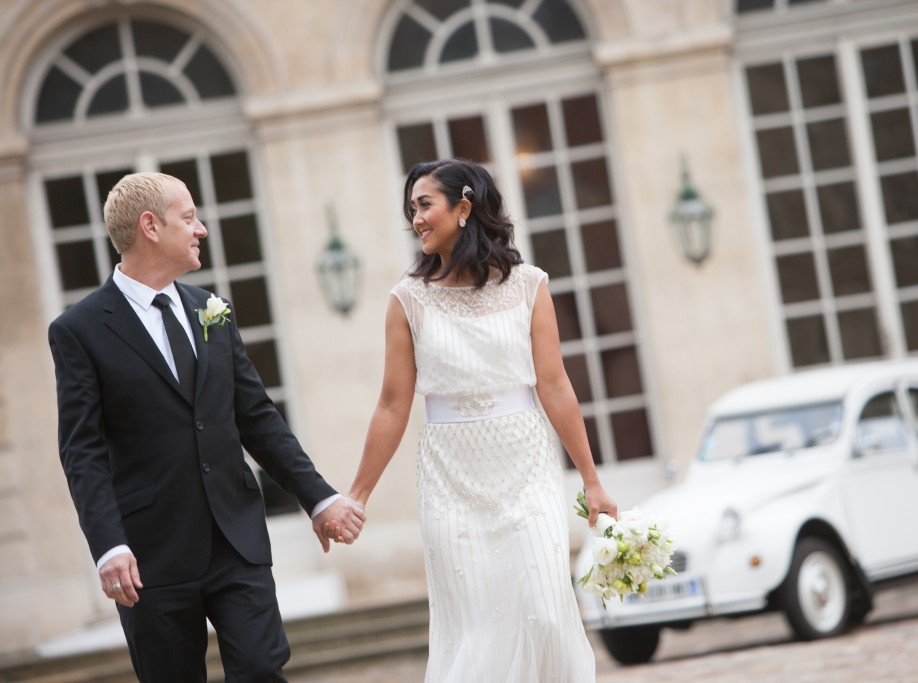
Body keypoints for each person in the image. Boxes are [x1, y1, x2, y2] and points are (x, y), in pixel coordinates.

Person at [48, 172, 365, 682]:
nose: (203, 229)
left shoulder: (210, 310)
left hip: (236, 538)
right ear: (150, 227)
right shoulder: (78, 330)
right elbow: (81, 450)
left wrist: (319, 498)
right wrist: (109, 545)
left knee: (263, 671)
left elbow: (256, 416)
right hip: (150, 557)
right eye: (190, 217)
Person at [330, 158, 617, 681]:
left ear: (464, 208)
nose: (415, 219)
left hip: (526, 469)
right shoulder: (407, 301)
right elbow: (394, 404)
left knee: (546, 612)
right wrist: (358, 494)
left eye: (424, 205)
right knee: (478, 626)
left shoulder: (530, 286)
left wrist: (592, 482)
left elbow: (554, 385)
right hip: (450, 480)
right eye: (410, 209)